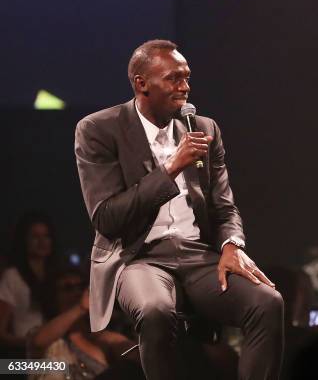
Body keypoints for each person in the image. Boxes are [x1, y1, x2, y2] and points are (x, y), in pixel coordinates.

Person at [74, 40, 283, 380]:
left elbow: (224, 205)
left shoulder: (203, 128)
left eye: (186, 77)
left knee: (267, 303)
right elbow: (107, 219)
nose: (184, 87)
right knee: (155, 310)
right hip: (137, 256)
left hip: (197, 256)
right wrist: (171, 168)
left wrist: (232, 244)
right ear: (142, 84)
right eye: (173, 78)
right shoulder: (98, 129)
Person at [28, 267, 142, 380]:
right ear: (52, 297)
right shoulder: (45, 336)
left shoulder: (101, 337)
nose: (77, 293)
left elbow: (135, 355)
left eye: (81, 287)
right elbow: (39, 342)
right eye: (68, 288)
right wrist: (80, 308)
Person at [0, 211, 56, 356]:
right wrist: (31, 343)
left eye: (46, 236)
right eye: (35, 237)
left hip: (59, 351)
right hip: (24, 356)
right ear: (24, 240)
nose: (42, 242)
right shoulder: (12, 277)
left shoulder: (58, 275)